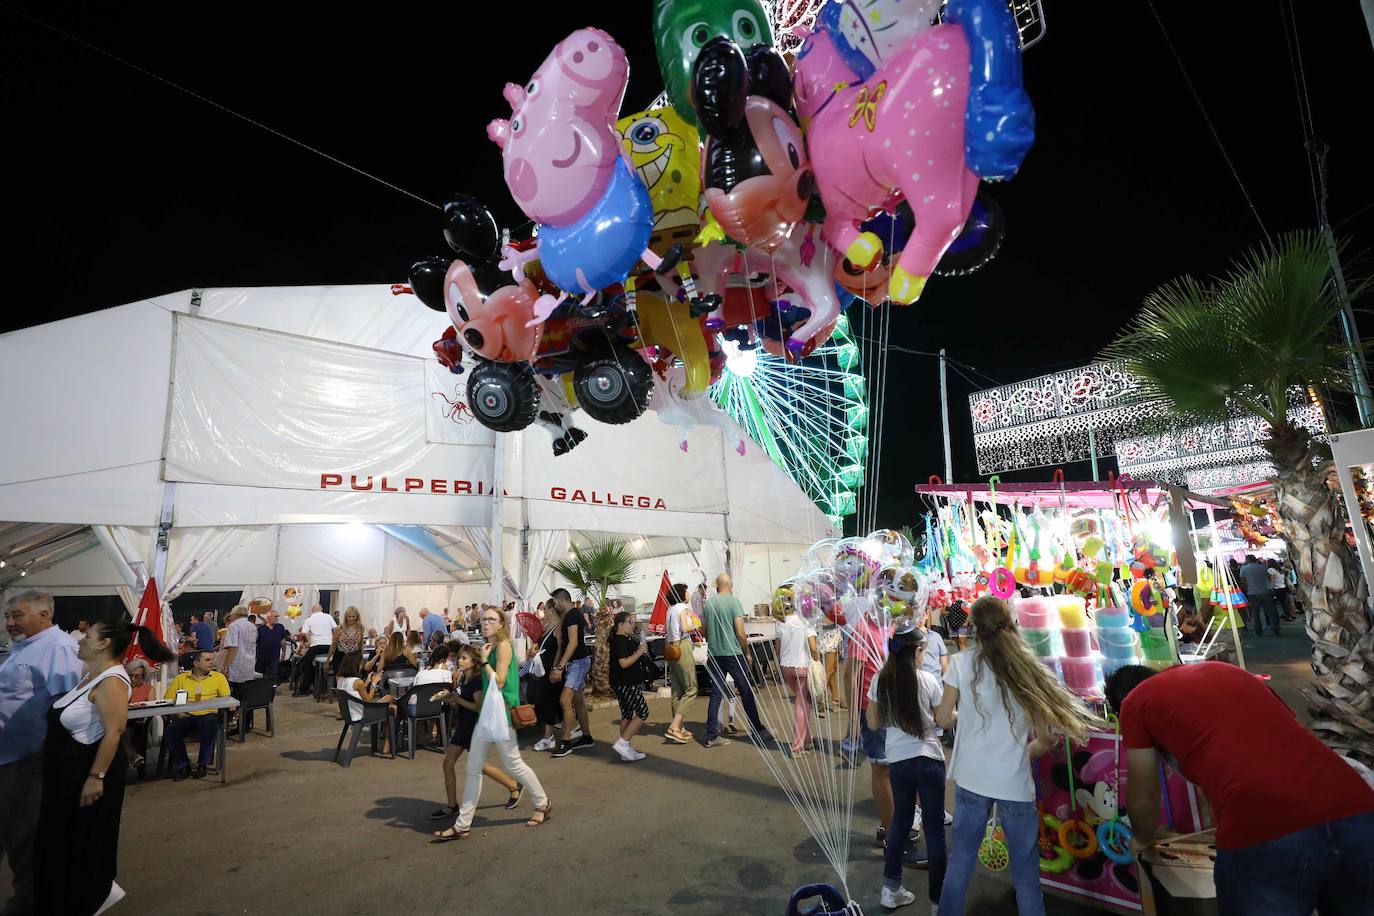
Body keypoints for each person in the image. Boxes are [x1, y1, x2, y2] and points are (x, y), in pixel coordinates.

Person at [1106, 662, 1374, 915]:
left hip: (1267, 829)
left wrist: (1141, 839)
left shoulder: (1135, 702)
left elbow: (1144, 797)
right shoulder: (1230, 672)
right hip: (1359, 810)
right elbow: (1293, 737)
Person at [934, 596, 1097, 915]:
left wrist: (961, 716)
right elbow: (1047, 738)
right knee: (1025, 876)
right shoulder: (1026, 666)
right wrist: (1022, 755)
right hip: (1014, 785)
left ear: (974, 629)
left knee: (960, 864)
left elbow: (941, 719)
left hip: (971, 780)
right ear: (1008, 623)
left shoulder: (960, 663)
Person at [33, 616, 174, 916]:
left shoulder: (112, 681)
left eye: (87, 636)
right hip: (65, 776)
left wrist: (95, 778)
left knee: (83, 844)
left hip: (84, 777)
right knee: (60, 844)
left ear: (104, 643)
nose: (80, 639)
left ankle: (87, 899)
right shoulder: (92, 674)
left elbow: (115, 732)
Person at [432, 608, 550, 840]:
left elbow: (501, 679)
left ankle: (542, 803)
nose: (485, 623)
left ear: (501, 624)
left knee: (514, 764)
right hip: (488, 714)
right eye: (483, 619)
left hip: (502, 713)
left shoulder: (503, 646)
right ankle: (462, 824)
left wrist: (484, 661)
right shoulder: (489, 647)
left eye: (491, 619)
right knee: (474, 768)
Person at [0, 589, 82, 916]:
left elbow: (68, 708)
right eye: (7, 616)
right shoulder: (25, 647)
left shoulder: (59, 648)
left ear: (44, 615)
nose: (9, 622)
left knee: (25, 845)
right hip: (8, 761)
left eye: (17, 615)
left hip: (26, 764)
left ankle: (30, 907)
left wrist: (46, 758)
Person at [867, 627, 947, 912]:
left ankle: (891, 889)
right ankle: (938, 903)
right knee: (935, 829)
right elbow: (944, 720)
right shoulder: (928, 680)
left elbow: (874, 723)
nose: (925, 656)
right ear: (915, 652)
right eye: (923, 651)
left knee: (900, 821)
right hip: (929, 759)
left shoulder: (880, 680)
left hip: (898, 762)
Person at [428, 645, 526, 819]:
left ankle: (513, 785)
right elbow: (463, 704)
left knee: (479, 766)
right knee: (448, 764)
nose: (459, 661)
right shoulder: (463, 679)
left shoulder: (476, 681)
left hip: (474, 727)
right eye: (459, 657)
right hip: (463, 726)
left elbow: (478, 707)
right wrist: (451, 699)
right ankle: (452, 805)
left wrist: (456, 699)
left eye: (464, 658)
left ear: (474, 662)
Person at [702, 573, 770, 748]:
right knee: (746, 691)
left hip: (715, 654)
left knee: (716, 694)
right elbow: (740, 632)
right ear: (730, 584)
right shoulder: (734, 602)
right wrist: (746, 652)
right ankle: (757, 730)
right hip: (733, 653)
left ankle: (712, 735)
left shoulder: (709, 603)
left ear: (717, 585)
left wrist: (713, 643)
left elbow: (704, 630)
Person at [163, 650, 232, 780]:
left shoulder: (218, 678)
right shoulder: (181, 679)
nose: (212, 662)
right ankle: (183, 765)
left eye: (212, 659)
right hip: (186, 716)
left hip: (208, 715)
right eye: (207, 660)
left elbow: (226, 699)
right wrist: (178, 713)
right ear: (195, 663)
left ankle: (202, 764)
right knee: (171, 730)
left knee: (207, 724)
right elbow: (169, 699)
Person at [550, 589, 595, 757]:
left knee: (564, 700)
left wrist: (560, 667)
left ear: (562, 600)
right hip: (578, 662)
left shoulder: (572, 615)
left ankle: (567, 741)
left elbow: (573, 642)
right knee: (578, 701)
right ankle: (586, 737)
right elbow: (566, 643)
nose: (554, 605)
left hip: (578, 663)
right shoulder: (571, 615)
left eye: (555, 602)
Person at [776, 596, 819, 756]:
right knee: (802, 706)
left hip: (786, 667)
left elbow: (778, 649)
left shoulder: (781, 622)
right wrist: (817, 660)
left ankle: (807, 740)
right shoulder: (806, 621)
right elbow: (813, 648)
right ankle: (796, 746)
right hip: (802, 667)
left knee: (804, 703)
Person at [335, 653, 398, 756]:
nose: (362, 665)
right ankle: (389, 742)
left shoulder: (340, 679)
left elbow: (353, 692)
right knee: (392, 707)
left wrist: (366, 683)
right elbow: (368, 700)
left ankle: (387, 743)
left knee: (389, 700)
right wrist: (374, 682)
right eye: (360, 663)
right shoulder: (357, 682)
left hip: (349, 714)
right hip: (361, 714)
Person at [609, 610, 650, 762]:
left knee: (627, 714)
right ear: (620, 625)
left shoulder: (625, 638)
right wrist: (639, 652)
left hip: (623, 682)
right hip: (626, 683)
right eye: (630, 622)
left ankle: (624, 749)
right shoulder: (620, 640)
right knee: (643, 712)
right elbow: (624, 662)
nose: (633, 625)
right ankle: (623, 742)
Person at [663, 583, 700, 744]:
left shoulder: (669, 609)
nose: (688, 594)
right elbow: (686, 627)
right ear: (681, 594)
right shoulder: (682, 608)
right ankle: (674, 727)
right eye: (686, 591)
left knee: (677, 690)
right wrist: (696, 625)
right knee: (691, 689)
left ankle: (680, 728)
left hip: (670, 648)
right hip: (682, 647)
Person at [528, 604, 565, 752]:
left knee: (550, 702)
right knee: (545, 701)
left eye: (546, 609)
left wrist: (556, 667)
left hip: (551, 670)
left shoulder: (558, 627)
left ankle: (549, 736)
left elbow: (560, 648)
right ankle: (551, 735)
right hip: (543, 670)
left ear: (551, 610)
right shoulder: (548, 626)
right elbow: (542, 645)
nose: (544, 612)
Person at [221, 605, 259, 706]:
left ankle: (232, 719)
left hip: (236, 666)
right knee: (246, 697)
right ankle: (245, 720)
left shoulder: (234, 626)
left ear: (236, 614)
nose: (230, 617)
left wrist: (226, 666)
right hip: (249, 665)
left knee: (234, 697)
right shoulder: (252, 626)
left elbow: (232, 647)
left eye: (231, 615)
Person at [120, 659, 156, 769]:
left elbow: (153, 708)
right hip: (122, 721)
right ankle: (133, 756)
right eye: (130, 675)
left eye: (138, 676)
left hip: (139, 723)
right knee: (121, 728)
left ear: (144, 676)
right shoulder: (121, 688)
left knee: (122, 730)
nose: (133, 679)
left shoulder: (148, 689)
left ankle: (132, 757)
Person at [296, 603, 335, 696]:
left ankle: (304, 689)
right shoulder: (329, 617)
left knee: (307, 665)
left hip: (316, 645)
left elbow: (303, 634)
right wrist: (334, 640)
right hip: (329, 646)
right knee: (334, 663)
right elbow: (336, 629)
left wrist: (306, 642)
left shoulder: (309, 620)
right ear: (321, 609)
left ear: (312, 610)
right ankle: (332, 686)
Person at [1239, 553, 1279, 635]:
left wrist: (1246, 590)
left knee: (1255, 613)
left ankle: (1258, 630)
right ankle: (1276, 628)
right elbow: (1268, 578)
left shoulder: (1244, 568)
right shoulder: (1263, 567)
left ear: (1247, 560)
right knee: (1271, 612)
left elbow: (1242, 581)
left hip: (1252, 593)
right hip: (1265, 591)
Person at [329, 606, 365, 677]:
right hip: (340, 656)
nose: (351, 619)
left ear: (357, 617)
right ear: (346, 616)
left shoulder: (361, 627)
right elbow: (333, 644)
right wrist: (328, 660)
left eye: (353, 616)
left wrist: (362, 657)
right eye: (349, 616)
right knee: (339, 677)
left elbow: (361, 643)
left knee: (353, 678)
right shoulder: (339, 628)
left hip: (355, 656)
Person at [255, 605, 288, 679]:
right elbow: (255, 642)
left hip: (274, 657)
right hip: (261, 657)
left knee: (272, 676)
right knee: (260, 677)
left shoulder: (280, 627)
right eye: (275, 616)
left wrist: (283, 653)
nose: (277, 618)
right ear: (268, 618)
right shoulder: (260, 629)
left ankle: (271, 690)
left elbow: (283, 640)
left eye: (277, 616)